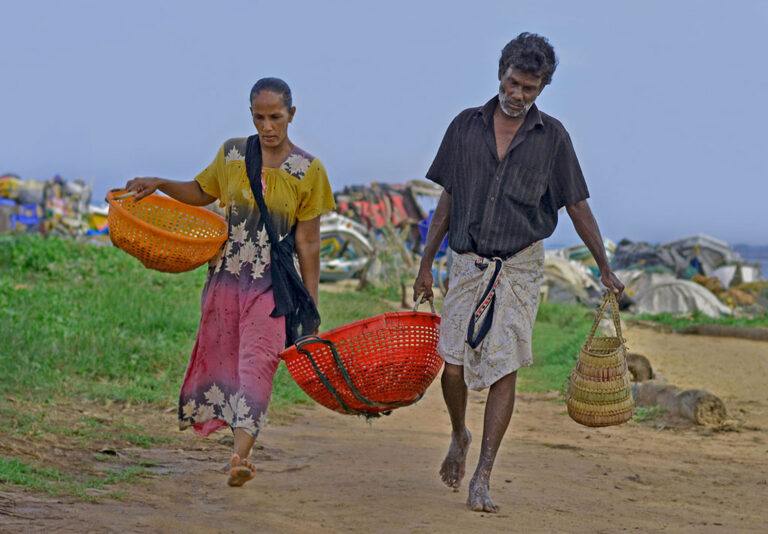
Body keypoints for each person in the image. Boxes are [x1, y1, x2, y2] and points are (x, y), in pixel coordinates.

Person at [413, 33, 625, 512]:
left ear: (542, 89)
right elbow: (447, 199)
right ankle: (458, 433)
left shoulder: (553, 138)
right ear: (500, 72)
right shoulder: (465, 127)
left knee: (505, 366)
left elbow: (576, 205)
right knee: (452, 366)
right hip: (466, 262)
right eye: (513, 83)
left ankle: (483, 476)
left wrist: (604, 268)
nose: (517, 95)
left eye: (530, 89)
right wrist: (426, 264)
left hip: (520, 267)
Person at [125, 77, 335, 487]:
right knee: (225, 362)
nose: (267, 126)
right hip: (225, 279)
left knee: (259, 363)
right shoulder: (233, 154)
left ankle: (238, 456)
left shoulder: (308, 171)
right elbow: (203, 192)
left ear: (292, 115)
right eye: (259, 117)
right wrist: (162, 185)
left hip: (272, 285)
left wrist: (311, 304)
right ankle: (234, 444)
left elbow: (308, 243)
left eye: (276, 117)